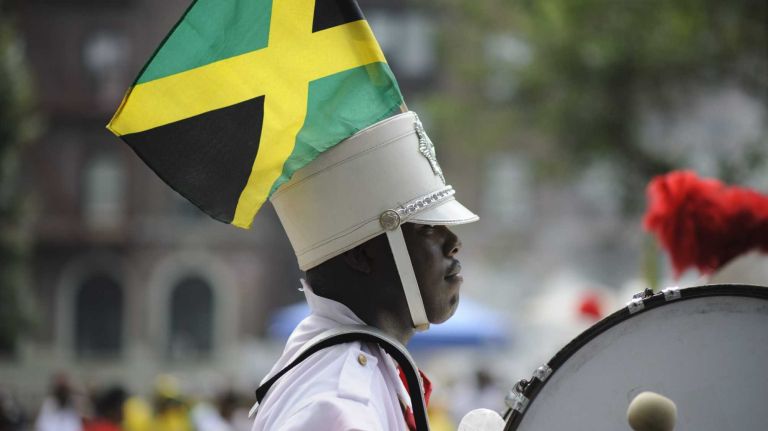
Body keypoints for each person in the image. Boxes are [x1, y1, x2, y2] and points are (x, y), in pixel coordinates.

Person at [251, 111, 478, 431]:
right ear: (362, 255)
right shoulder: (340, 409)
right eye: (428, 228)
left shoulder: (350, 374)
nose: (454, 243)